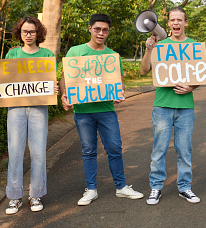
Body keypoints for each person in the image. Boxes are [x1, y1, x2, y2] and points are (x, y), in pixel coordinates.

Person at [60, 13, 143, 206]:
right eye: (97, 29)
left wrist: (120, 93)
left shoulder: (112, 56)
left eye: (105, 30)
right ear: (90, 29)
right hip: (82, 111)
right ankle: (91, 189)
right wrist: (64, 95)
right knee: (88, 150)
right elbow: (65, 78)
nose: (101, 33)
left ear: (108, 32)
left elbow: (119, 84)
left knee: (114, 148)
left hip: (106, 110)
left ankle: (121, 187)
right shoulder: (75, 51)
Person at [0, 16, 58, 214]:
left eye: (32, 31)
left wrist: (54, 88)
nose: (28, 35)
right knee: (15, 152)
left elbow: (49, 82)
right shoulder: (12, 53)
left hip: (39, 108)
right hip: (15, 109)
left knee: (38, 152)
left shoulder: (47, 54)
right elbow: (3, 81)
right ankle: (14, 197)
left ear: (38, 33)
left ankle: (35, 194)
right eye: (25, 31)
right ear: (19, 33)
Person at [140, 7, 200, 205]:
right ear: (169, 23)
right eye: (172, 20)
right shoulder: (160, 45)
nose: (176, 23)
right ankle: (156, 187)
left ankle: (185, 187)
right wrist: (149, 50)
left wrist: (191, 87)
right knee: (159, 149)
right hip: (162, 106)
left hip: (185, 107)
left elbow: (199, 75)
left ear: (185, 23)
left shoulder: (195, 46)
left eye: (179, 20)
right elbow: (143, 71)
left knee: (185, 150)